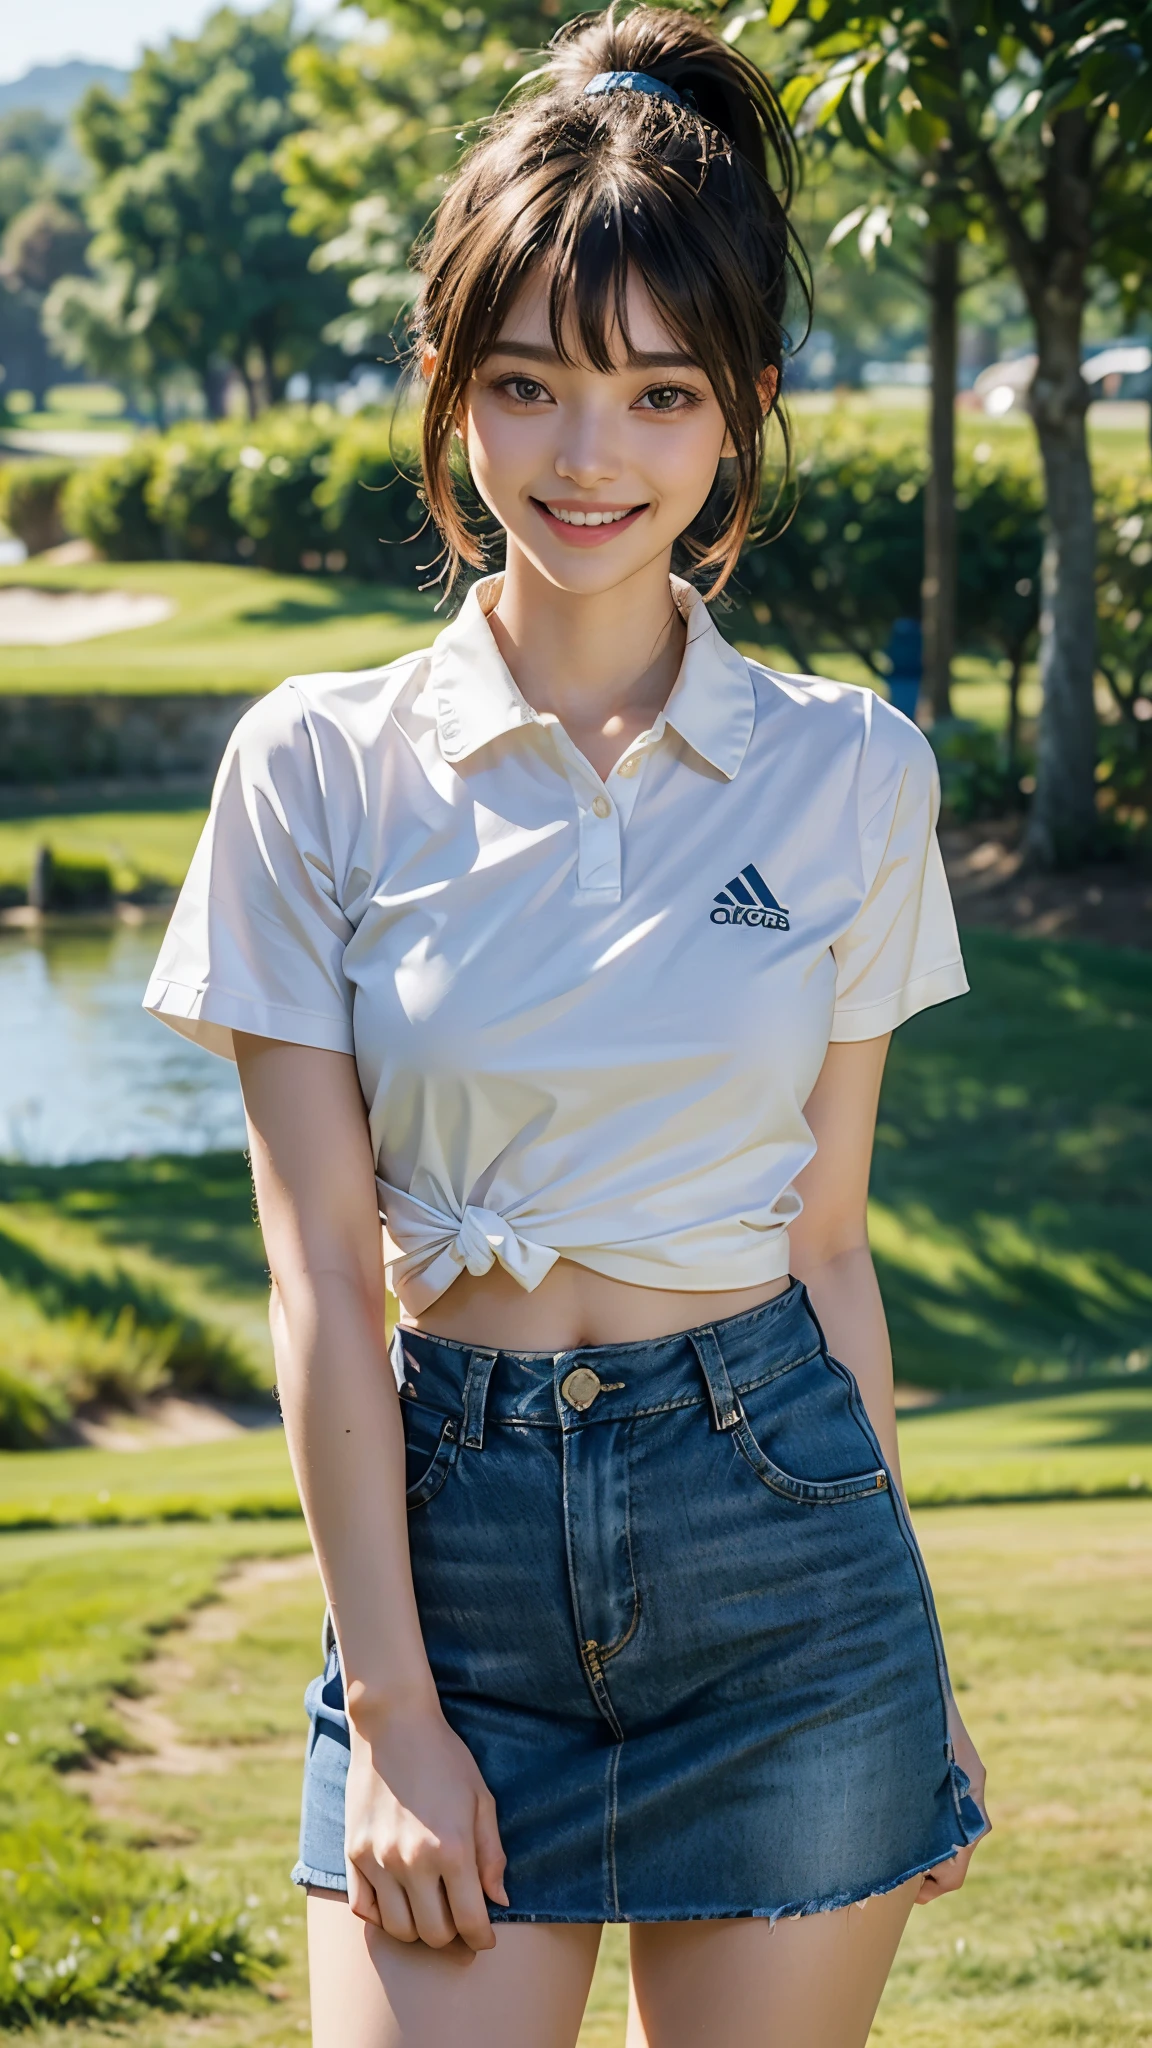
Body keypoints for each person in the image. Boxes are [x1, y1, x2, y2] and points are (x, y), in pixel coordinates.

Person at [144, 7, 990, 2042]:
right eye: (526, 385)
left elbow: (828, 1244)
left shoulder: (852, 773)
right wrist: (404, 1716)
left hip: (788, 1572)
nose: (586, 457)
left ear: (742, 415)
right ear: (453, 398)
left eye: (654, 392)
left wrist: (921, 1664)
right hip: (454, 1570)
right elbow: (324, 1285)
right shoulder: (315, 769)